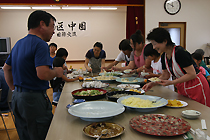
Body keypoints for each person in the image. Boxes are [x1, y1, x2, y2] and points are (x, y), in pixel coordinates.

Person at [3, 10, 63, 140]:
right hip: (33, 100)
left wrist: (15, 89)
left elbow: (6, 68)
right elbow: (43, 74)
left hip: (18, 98)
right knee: (40, 134)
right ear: (42, 24)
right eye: (52, 26)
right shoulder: (40, 44)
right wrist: (57, 72)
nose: (53, 31)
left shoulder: (18, 43)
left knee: (25, 134)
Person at [142, 27, 210, 107]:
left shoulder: (180, 52)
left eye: (154, 44)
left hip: (196, 85)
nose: (153, 47)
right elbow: (165, 76)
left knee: (200, 111)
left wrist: (172, 82)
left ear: (165, 41)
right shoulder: (164, 56)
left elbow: (192, 74)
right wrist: (153, 83)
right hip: (182, 85)